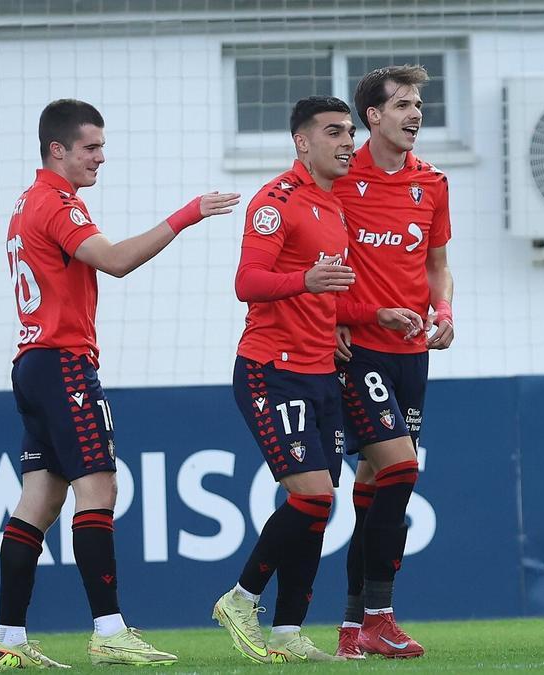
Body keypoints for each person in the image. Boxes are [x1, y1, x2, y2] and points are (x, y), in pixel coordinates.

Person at [0, 98, 239, 669]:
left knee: (39, 499)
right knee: (98, 489)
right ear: (57, 149)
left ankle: (8, 642)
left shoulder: (29, 201)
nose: (101, 158)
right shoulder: (56, 203)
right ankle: (108, 631)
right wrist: (188, 214)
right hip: (61, 364)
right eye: (91, 147)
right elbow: (117, 260)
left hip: (31, 364)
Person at [211, 95, 422, 664]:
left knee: (319, 506)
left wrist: (372, 314)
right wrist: (304, 279)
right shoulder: (276, 201)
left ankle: (286, 632)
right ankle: (240, 597)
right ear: (302, 141)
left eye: (349, 131)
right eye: (333, 132)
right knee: (311, 498)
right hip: (270, 370)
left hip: (322, 373)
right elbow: (247, 282)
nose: (347, 141)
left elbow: (333, 296)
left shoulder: (333, 208)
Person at [330, 64, 454, 660]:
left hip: (413, 355)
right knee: (402, 472)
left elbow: (436, 264)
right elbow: (316, 261)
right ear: (372, 117)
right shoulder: (338, 179)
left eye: (418, 104)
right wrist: (336, 322)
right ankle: (380, 615)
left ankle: (353, 627)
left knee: (376, 483)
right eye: (402, 104)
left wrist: (445, 310)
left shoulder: (431, 183)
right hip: (360, 353)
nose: (415, 114)